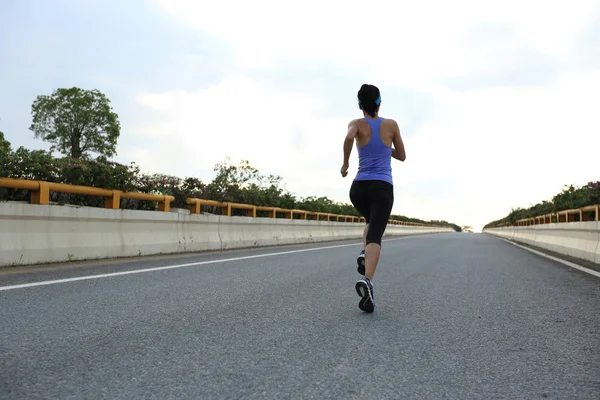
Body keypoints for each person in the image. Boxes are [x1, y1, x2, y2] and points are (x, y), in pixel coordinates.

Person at [340, 83, 406, 313]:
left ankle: (363, 253)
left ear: (359, 105)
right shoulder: (391, 125)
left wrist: (346, 162)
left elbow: (349, 138)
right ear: (379, 102)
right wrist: (385, 147)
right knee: (376, 233)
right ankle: (367, 280)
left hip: (358, 189)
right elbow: (402, 156)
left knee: (370, 223)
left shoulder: (356, 124)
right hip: (381, 187)